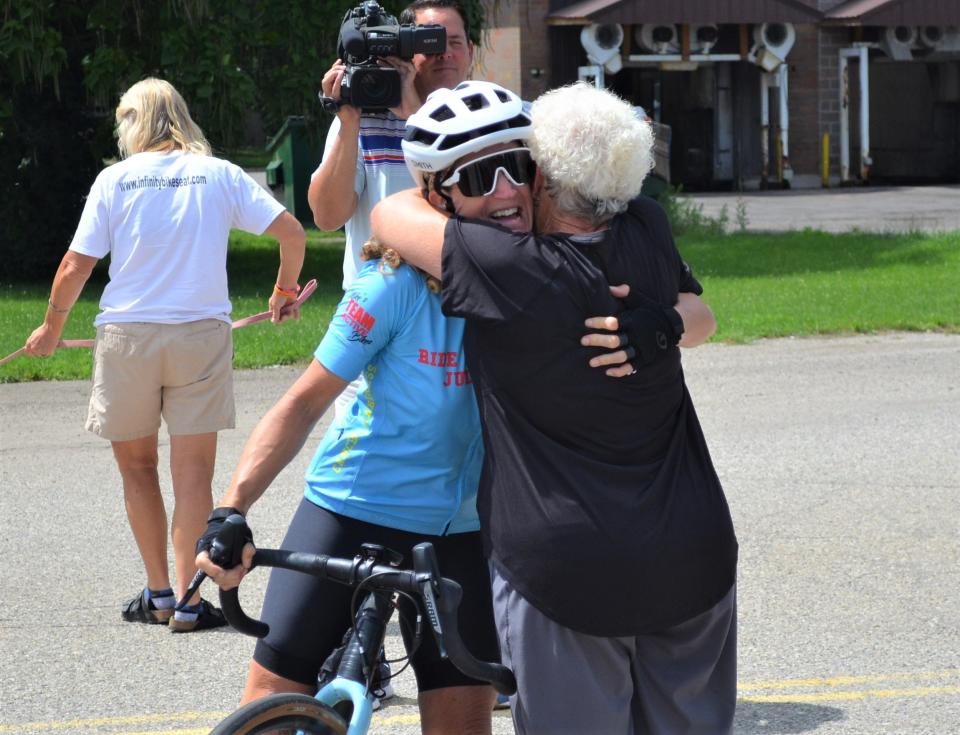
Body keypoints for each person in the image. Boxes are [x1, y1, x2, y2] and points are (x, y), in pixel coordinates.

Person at [370, 81, 739, 734]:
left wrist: (441, 183)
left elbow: (390, 215)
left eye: (519, 165)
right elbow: (702, 314)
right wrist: (665, 325)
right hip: (693, 555)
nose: (509, 189)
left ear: (544, 174)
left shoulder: (511, 269)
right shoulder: (646, 228)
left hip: (569, 574)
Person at [193, 82, 544, 735]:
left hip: (464, 530)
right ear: (439, 195)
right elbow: (303, 403)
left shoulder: (549, 279)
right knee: (265, 709)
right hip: (349, 510)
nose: (505, 189)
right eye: (478, 175)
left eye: (517, 166)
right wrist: (231, 508)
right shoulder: (392, 284)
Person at [23, 78, 306, 632]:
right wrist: (283, 291)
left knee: (137, 469)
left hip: (127, 339)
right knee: (194, 472)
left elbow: (73, 267)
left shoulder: (114, 180)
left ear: (134, 121)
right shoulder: (219, 174)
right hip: (200, 337)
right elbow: (293, 232)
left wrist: (51, 329)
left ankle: (157, 594)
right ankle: (188, 601)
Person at [308, 0, 475, 419]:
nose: (444, 54)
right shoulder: (363, 122)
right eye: (430, 44)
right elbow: (327, 217)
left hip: (461, 311)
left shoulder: (486, 117)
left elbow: (476, 204)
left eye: (453, 42)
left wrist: (413, 118)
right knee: (362, 449)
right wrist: (348, 120)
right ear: (403, 51)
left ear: (471, 50)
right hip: (376, 313)